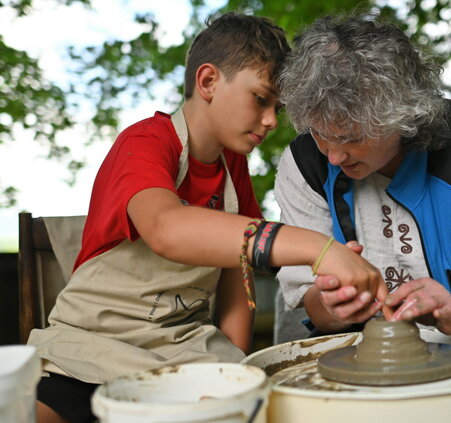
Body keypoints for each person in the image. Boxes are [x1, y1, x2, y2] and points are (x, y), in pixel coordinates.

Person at [28, 13, 386, 423]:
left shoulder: (234, 168)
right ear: (208, 81)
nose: (271, 121)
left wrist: (232, 365)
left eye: (277, 108)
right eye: (260, 99)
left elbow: (239, 271)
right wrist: (316, 248)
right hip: (89, 352)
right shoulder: (144, 142)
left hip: (184, 352)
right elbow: (167, 229)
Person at [273, 14, 451, 343]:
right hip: (362, 366)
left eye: (352, 138)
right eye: (321, 134)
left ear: (404, 117)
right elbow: (307, 301)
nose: (334, 157)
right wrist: (331, 306)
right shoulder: (305, 164)